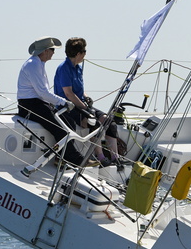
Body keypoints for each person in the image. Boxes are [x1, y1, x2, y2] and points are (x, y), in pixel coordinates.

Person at [17, 36, 90, 166]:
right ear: (45, 51)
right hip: (30, 105)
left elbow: (43, 94)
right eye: (52, 49)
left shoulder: (38, 63)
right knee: (60, 129)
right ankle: (76, 159)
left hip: (37, 103)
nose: (54, 53)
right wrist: (64, 102)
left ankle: (61, 158)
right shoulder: (33, 64)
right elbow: (43, 93)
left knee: (70, 124)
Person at [54, 37, 120, 166]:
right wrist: (83, 106)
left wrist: (86, 96)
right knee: (92, 122)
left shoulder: (78, 68)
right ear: (78, 54)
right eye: (84, 51)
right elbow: (68, 93)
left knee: (109, 122)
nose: (85, 54)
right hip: (69, 106)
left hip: (81, 104)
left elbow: (79, 91)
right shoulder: (64, 68)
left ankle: (115, 157)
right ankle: (100, 157)